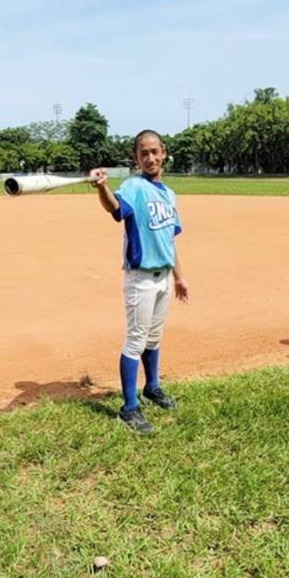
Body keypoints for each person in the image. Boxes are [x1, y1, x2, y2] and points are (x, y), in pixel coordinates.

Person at [88, 130, 188, 434]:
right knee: (135, 340)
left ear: (164, 153)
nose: (150, 158)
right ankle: (129, 408)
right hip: (140, 278)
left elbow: (170, 240)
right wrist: (102, 188)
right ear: (136, 159)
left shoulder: (169, 194)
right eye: (143, 153)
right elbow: (115, 209)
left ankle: (152, 388)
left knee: (153, 338)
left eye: (155, 151)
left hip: (163, 277)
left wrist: (179, 276)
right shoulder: (133, 187)